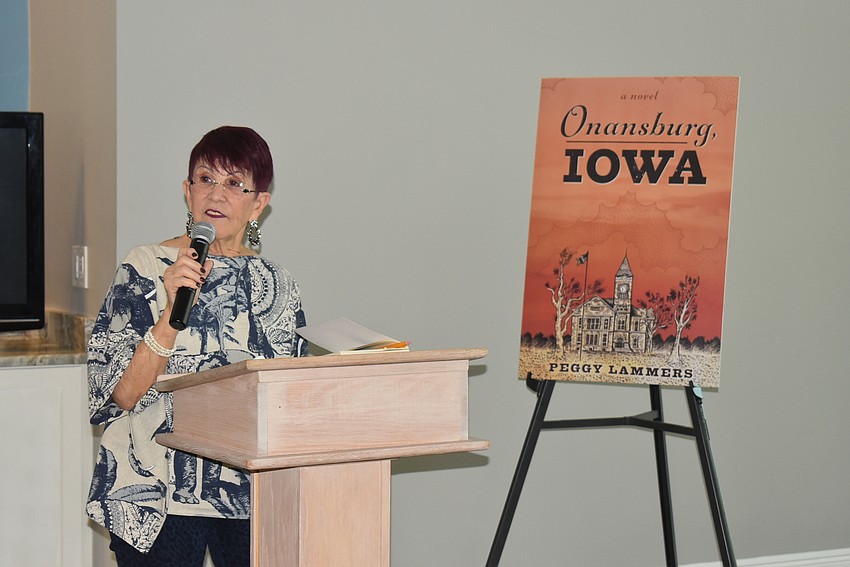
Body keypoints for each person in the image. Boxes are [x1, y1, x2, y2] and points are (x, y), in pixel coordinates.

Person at [85, 126, 307, 566]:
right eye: (205, 179)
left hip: (249, 492)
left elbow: (289, 398)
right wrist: (170, 313)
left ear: (258, 203)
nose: (217, 194)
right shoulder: (145, 266)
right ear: (188, 191)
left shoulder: (277, 283)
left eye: (233, 183)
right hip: (157, 492)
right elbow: (120, 395)